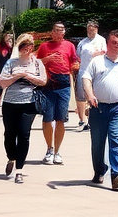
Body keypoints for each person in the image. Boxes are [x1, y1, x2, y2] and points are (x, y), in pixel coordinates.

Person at [82, 28, 118, 191]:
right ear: (107, 43)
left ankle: (116, 175)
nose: (117, 46)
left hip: (117, 108)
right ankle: (99, 170)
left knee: (115, 138)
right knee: (98, 143)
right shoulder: (97, 62)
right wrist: (90, 96)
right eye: (114, 42)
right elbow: (86, 79)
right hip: (98, 108)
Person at [0, 33, 47, 184]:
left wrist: (27, 76)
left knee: (24, 134)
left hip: (29, 103)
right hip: (10, 103)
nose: (26, 50)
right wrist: (16, 76)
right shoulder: (11, 63)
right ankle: (11, 157)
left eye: (29, 47)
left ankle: (19, 169)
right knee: (9, 134)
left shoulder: (37, 63)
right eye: (23, 47)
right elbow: (2, 82)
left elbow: (43, 81)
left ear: (32, 48)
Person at [36, 20, 79, 165]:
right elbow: (35, 63)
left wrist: (75, 66)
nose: (58, 32)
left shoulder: (70, 46)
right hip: (48, 85)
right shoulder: (44, 46)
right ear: (51, 32)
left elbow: (75, 61)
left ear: (64, 32)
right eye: (55, 30)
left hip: (64, 85)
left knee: (61, 119)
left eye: (61, 30)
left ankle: (57, 151)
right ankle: (49, 148)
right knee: (47, 119)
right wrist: (46, 59)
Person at [76, 20, 106, 130]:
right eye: (88, 30)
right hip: (83, 70)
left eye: (92, 30)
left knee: (93, 95)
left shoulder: (101, 40)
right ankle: (82, 119)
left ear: (96, 29)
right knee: (81, 95)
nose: (90, 32)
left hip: (96, 71)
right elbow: (78, 55)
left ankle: (93, 119)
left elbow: (104, 53)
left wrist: (95, 54)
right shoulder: (82, 42)